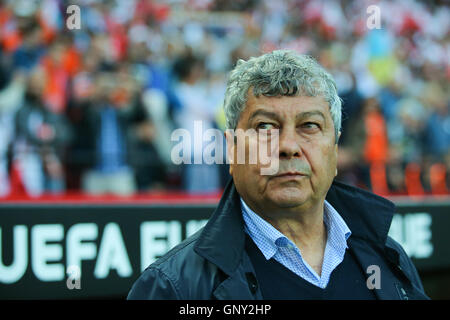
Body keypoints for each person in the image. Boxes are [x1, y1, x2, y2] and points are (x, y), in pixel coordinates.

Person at [128, 50, 429, 300]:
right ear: (232, 149)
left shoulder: (389, 257)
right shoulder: (173, 287)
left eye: (309, 125)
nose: (287, 147)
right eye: (265, 127)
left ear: (335, 150)